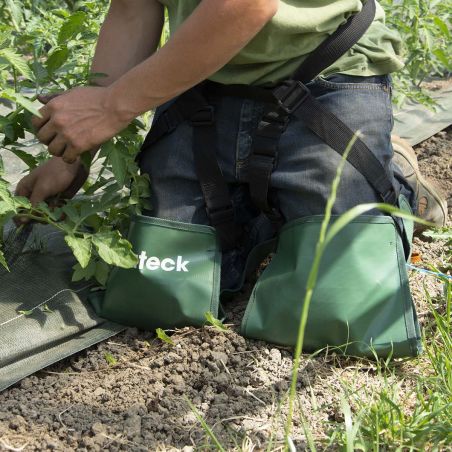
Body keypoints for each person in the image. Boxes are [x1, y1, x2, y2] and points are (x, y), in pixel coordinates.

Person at [16, 0, 447, 290]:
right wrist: (73, 151)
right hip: (206, 83)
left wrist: (112, 108)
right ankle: (281, 205)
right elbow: (134, 8)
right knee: (167, 290)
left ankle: (394, 179)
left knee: (340, 302)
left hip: (325, 75)